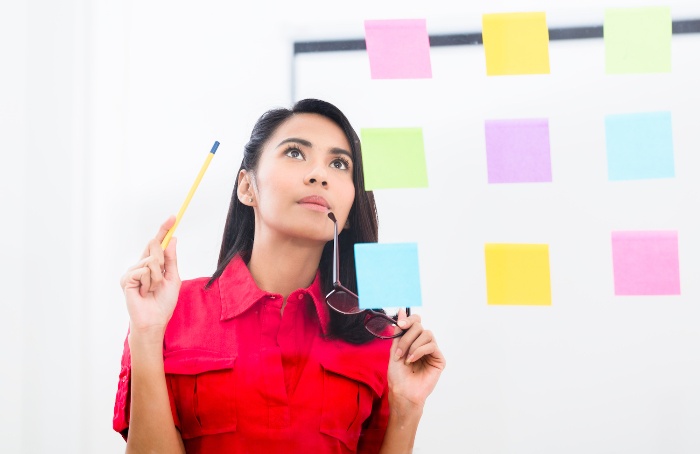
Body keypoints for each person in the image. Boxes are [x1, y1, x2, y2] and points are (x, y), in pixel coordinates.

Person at [113, 98, 446, 453]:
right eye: (295, 153)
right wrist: (147, 335)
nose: (318, 175)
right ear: (246, 187)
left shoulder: (377, 336)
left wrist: (408, 407)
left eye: (338, 163)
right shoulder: (168, 314)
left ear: (349, 211)